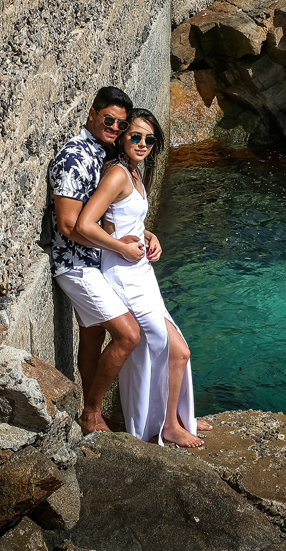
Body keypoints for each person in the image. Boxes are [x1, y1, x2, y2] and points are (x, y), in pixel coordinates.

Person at [76, 108, 211, 448]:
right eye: (135, 136)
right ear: (122, 137)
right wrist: (119, 247)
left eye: (149, 140)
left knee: (178, 351)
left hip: (141, 273)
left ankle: (178, 418)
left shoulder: (136, 173)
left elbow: (126, 220)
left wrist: (150, 236)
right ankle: (168, 426)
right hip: (123, 276)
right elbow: (85, 224)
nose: (142, 144)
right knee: (166, 348)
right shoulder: (117, 175)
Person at [47, 86, 162, 435]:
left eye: (121, 124)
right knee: (128, 335)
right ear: (92, 113)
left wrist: (144, 233)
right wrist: (117, 247)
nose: (114, 128)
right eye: (108, 119)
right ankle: (91, 413)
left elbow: (110, 214)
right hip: (76, 265)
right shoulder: (75, 157)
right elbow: (69, 225)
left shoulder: (102, 153)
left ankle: (91, 413)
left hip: (96, 260)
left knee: (93, 335)